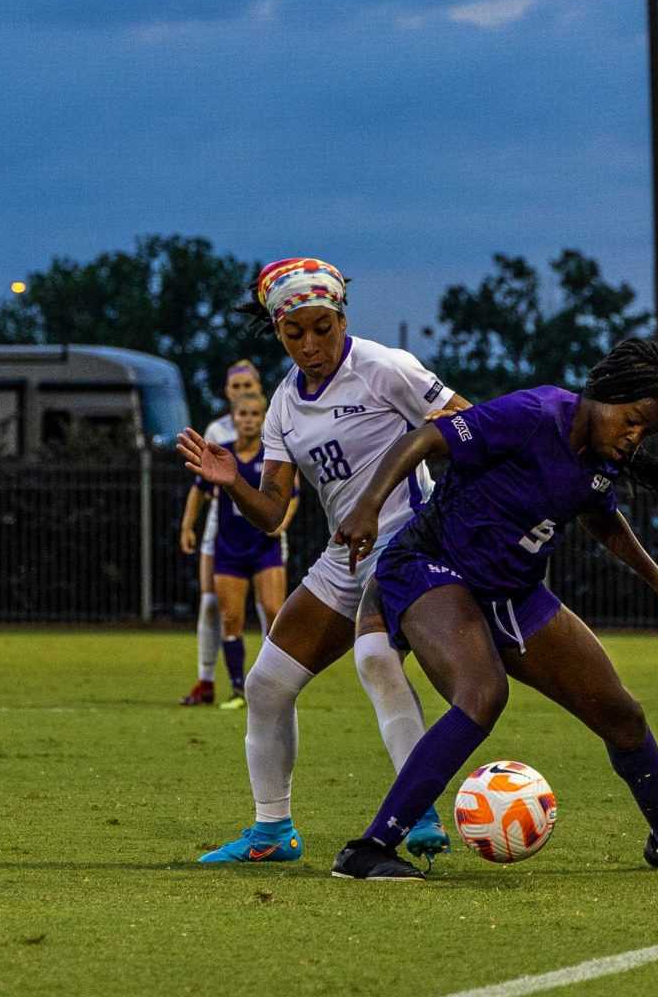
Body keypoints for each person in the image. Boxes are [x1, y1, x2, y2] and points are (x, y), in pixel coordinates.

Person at [326, 337, 658, 880]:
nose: (635, 436)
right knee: (482, 694)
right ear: (605, 393)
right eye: (634, 419)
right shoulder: (534, 413)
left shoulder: (599, 458)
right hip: (431, 566)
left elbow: (600, 515)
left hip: (514, 593)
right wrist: (367, 507)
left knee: (622, 716)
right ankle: (367, 849)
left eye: (647, 431)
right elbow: (426, 437)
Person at [177, 258, 466, 865]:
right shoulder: (283, 404)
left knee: (377, 659)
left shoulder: (385, 368)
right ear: (279, 332)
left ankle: (417, 812)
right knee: (265, 686)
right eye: (295, 334)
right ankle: (272, 832)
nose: (310, 345)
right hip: (344, 555)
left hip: (407, 543)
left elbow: (472, 427)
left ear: (343, 318)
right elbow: (273, 513)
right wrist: (233, 481)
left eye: (322, 328)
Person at [180, 388, 291, 710]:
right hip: (229, 548)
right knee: (231, 618)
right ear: (234, 418)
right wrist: (188, 526)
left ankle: (276, 685)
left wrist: (283, 520)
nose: (249, 420)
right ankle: (239, 690)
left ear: (264, 418)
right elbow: (198, 489)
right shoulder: (221, 453)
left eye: (255, 414)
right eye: (243, 414)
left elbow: (292, 493)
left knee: (274, 612)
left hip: (264, 546)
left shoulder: (273, 455)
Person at [180, 358, 262, 705]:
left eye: (248, 386)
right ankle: (206, 678)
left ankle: (271, 679)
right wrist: (190, 525)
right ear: (227, 391)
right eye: (236, 387)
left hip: (261, 528)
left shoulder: (270, 425)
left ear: (258, 388)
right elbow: (202, 484)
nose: (243, 392)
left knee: (268, 606)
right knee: (212, 602)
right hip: (222, 528)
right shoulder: (217, 431)